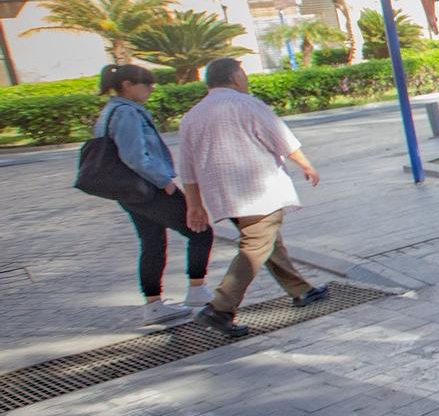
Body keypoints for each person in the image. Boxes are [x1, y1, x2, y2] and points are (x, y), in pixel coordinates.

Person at [180, 57, 328, 338]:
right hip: (259, 191)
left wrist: (195, 203)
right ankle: (220, 308)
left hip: (224, 196)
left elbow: (186, 166)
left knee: (267, 241)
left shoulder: (192, 116)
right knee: (256, 245)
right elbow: (281, 138)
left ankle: (301, 290)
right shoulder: (246, 105)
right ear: (235, 78)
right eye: (244, 74)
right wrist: (306, 164)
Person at [93, 63, 214, 327]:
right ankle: (197, 288)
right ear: (127, 85)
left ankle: (154, 304)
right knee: (200, 229)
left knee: (152, 242)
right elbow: (134, 156)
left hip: (131, 191)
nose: (151, 89)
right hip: (148, 188)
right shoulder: (126, 113)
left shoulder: (111, 111)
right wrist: (164, 183)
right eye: (146, 84)